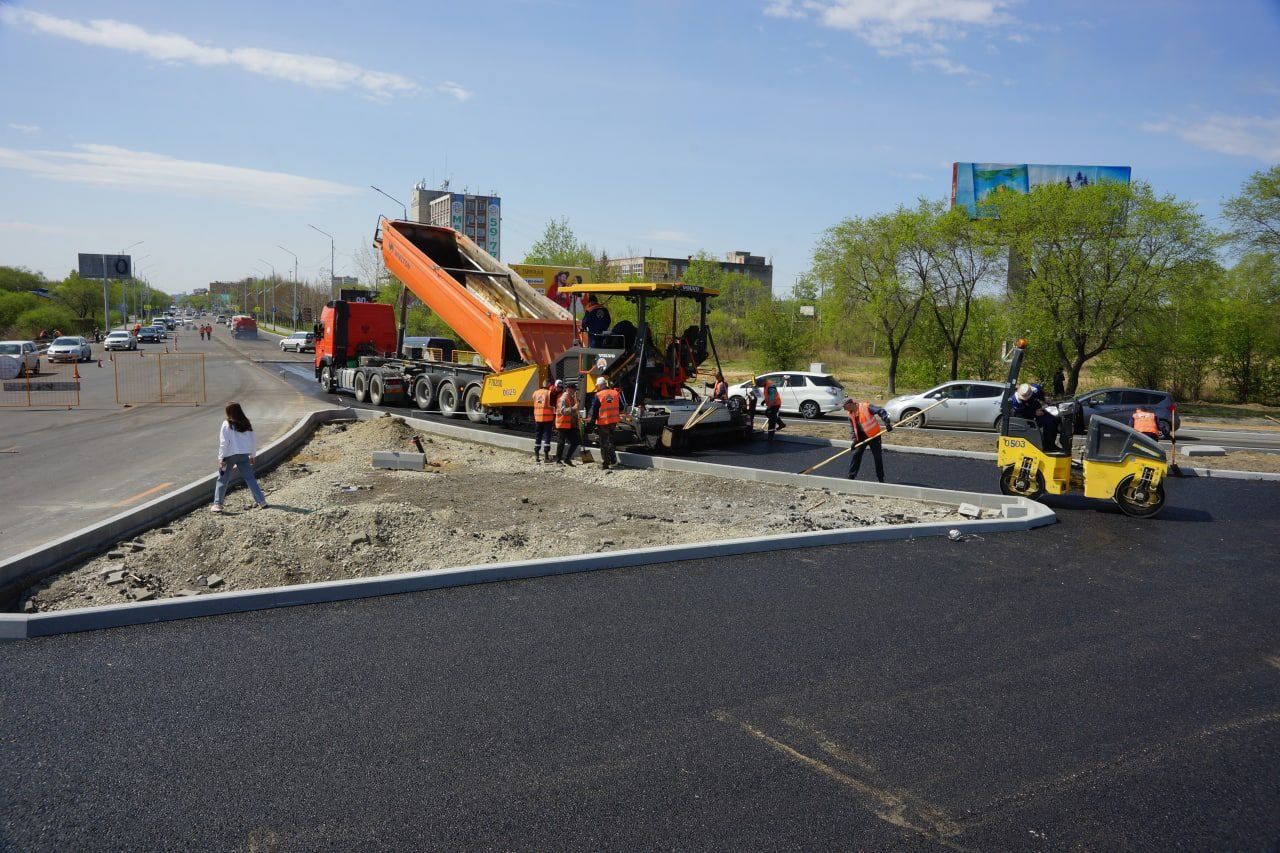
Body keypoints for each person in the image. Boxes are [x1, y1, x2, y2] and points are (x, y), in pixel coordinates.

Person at [212, 402, 267, 513]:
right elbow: (253, 440)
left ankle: (218, 504)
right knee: (250, 478)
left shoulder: (226, 423)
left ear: (228, 412)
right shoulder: (246, 423)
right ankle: (261, 501)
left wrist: (220, 457)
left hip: (229, 455)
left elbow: (224, 442)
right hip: (244, 455)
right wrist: (252, 455)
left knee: (223, 479)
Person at [843, 397, 892, 483]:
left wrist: (887, 422)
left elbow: (881, 410)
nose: (844, 409)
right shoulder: (850, 414)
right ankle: (851, 476)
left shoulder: (866, 406)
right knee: (856, 455)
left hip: (874, 436)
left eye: (844, 407)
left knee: (877, 457)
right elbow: (852, 428)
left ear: (850, 404)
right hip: (861, 437)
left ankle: (881, 478)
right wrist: (854, 440)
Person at [1011, 382, 1061, 452]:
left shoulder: (1036, 389)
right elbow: (1021, 413)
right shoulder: (1015, 400)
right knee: (1048, 422)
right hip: (1027, 418)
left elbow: (1041, 395)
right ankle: (1047, 446)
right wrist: (1034, 413)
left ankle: (1051, 444)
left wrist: (1045, 400)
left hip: (1038, 410)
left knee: (1054, 419)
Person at [588, 377, 621, 470]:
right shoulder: (615, 393)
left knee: (604, 443)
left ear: (599, 385)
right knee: (610, 441)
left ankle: (605, 464)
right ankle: (614, 461)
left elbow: (595, 410)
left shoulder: (599, 395)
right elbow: (620, 406)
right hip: (613, 421)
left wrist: (592, 421)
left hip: (603, 422)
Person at [554, 384, 581, 466]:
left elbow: (573, 411)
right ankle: (558, 460)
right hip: (562, 423)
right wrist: (574, 408)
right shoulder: (563, 398)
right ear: (568, 389)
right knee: (561, 442)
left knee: (576, 441)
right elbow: (563, 411)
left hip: (569, 424)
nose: (574, 391)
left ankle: (567, 459)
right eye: (573, 389)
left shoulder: (570, 398)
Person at [531, 378, 556, 463]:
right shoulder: (549, 393)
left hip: (538, 419)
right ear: (548, 384)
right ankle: (546, 457)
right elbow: (553, 404)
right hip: (547, 419)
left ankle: (537, 457)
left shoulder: (535, 393)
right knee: (547, 437)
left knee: (538, 437)